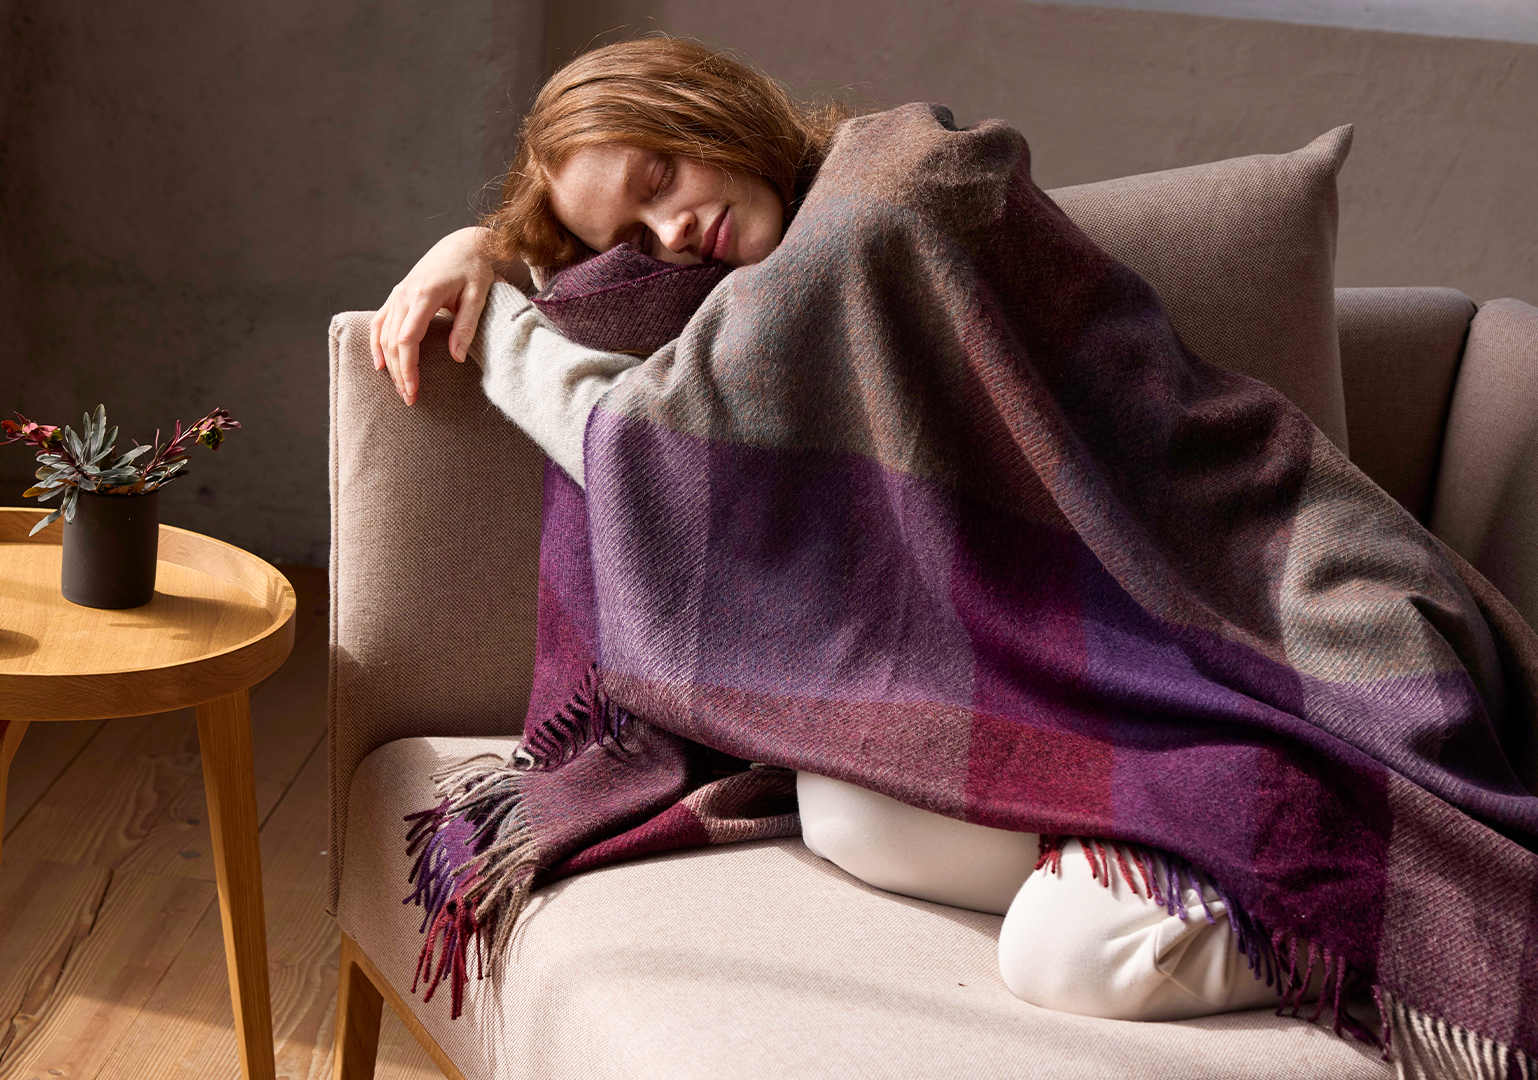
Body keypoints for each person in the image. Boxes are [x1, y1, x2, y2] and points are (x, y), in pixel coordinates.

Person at [370, 37, 1296, 1022]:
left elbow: (647, 438)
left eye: (659, 173)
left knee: (1052, 955)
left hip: (1221, 590)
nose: (672, 227)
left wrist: (501, 315)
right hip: (1000, 663)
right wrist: (486, 247)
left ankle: (1272, 860)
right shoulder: (738, 320)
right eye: (633, 233)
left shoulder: (894, 179)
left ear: (702, 104)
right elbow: (666, 427)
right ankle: (1168, 826)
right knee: (850, 811)